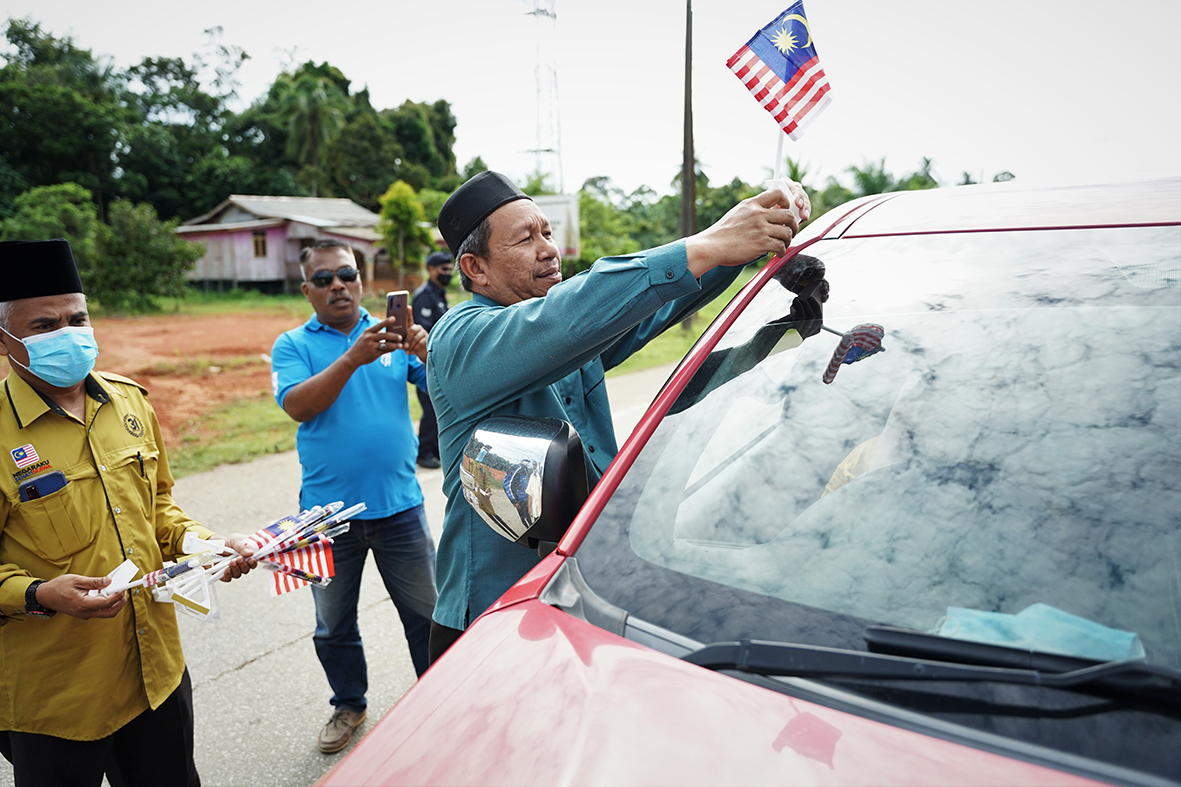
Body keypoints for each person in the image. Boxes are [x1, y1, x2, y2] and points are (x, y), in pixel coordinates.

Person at [425, 171, 809, 662]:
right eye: (526, 239)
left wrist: (747, 242)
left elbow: (650, 305)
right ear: (475, 267)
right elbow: (566, 319)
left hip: (582, 589)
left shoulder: (565, 327)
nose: (548, 249)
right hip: (493, 617)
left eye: (547, 233)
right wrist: (710, 242)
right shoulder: (461, 338)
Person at [0, 238, 255, 787]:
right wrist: (39, 594)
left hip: (155, 672)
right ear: (5, 340)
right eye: (45, 325)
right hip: (58, 696)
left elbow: (157, 507)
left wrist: (205, 545)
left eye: (78, 317)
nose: (68, 334)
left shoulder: (130, 402)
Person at [270, 239, 439, 754]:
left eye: (346, 274)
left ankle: (439, 699)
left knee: (427, 616)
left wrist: (427, 349)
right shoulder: (292, 344)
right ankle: (349, 704)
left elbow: (442, 385)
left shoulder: (391, 336)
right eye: (324, 279)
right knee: (332, 623)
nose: (337, 285)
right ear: (307, 290)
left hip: (400, 506)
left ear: (362, 280)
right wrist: (352, 358)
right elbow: (298, 406)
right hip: (324, 517)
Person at [411, 251, 453, 469]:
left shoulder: (439, 294)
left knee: (438, 409)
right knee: (430, 409)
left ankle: (435, 449)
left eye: (449, 269)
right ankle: (424, 452)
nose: (448, 273)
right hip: (424, 364)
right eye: (443, 269)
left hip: (439, 363)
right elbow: (421, 332)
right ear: (431, 270)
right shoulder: (424, 295)